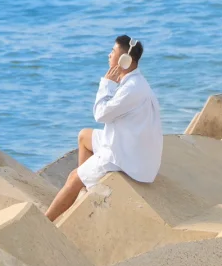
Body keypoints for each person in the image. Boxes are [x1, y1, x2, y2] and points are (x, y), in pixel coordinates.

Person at [45, 35, 163, 222]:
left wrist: (106, 84)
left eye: (113, 52)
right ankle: (84, 192)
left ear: (125, 60)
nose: (108, 55)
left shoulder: (131, 89)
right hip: (128, 143)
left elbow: (100, 114)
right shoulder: (135, 82)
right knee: (84, 136)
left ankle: (45, 221)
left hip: (127, 158)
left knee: (74, 176)